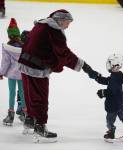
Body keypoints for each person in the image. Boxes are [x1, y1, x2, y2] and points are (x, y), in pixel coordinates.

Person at [18, 9, 86, 141]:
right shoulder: (53, 31)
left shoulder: (41, 25)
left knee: (30, 94)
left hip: (24, 64)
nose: (68, 26)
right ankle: (40, 126)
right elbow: (64, 54)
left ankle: (30, 120)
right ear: (60, 20)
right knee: (41, 97)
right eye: (67, 22)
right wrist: (83, 65)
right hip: (36, 68)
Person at [82, 54, 123, 139]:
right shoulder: (117, 76)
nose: (109, 66)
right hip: (121, 103)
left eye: (110, 64)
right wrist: (97, 77)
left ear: (116, 66)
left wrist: (103, 92)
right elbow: (108, 81)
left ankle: (111, 132)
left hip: (113, 105)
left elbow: (112, 91)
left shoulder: (115, 78)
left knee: (109, 120)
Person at [0, 18, 26, 126]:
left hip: (11, 74)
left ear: (9, 35)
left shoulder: (7, 47)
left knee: (11, 93)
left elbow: (5, 62)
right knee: (22, 93)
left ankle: (10, 115)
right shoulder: (24, 46)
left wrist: (1, 72)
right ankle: (25, 114)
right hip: (22, 73)